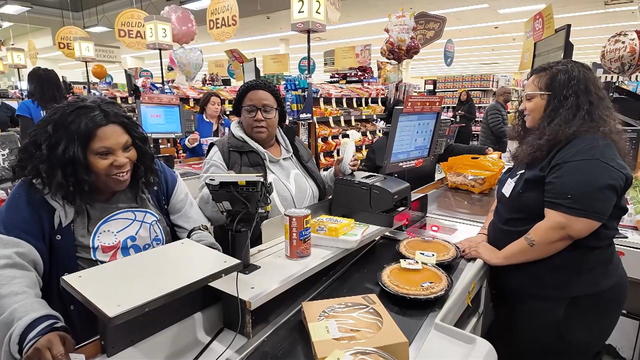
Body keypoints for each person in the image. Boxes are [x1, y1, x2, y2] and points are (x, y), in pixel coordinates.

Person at [0, 97, 220, 360]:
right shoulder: (37, 196)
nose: (122, 161)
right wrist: (34, 326)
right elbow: (10, 270)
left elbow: (193, 224)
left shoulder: (153, 175)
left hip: (170, 324)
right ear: (71, 157)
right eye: (104, 154)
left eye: (127, 148)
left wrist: (208, 256)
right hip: (91, 340)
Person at [458, 60, 630, 360]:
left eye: (529, 98)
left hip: (563, 304)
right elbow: (508, 187)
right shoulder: (550, 142)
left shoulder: (589, 153)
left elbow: (564, 227)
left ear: (562, 100)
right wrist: (486, 233)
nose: (521, 107)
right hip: (528, 295)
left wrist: (498, 255)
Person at [197, 79, 359, 250]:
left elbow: (317, 189)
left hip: (312, 247)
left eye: (267, 110)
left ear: (278, 114)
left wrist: (336, 174)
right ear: (240, 114)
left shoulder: (295, 145)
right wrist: (229, 193)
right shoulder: (224, 152)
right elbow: (205, 211)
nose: (259, 117)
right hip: (259, 259)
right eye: (250, 110)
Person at [17, 67, 66, 142]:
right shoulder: (68, 104)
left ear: (32, 85)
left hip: (41, 150)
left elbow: (26, 139)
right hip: (69, 150)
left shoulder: (26, 106)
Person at [180, 92, 232, 159]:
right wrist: (189, 141)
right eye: (213, 104)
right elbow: (183, 143)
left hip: (220, 162)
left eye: (219, 105)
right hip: (196, 162)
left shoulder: (226, 123)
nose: (216, 107)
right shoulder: (194, 120)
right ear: (205, 105)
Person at [479, 86, 511, 152]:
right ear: (502, 95)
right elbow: (497, 128)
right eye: (509, 93)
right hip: (491, 148)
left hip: (495, 147)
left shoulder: (500, 107)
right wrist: (514, 133)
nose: (511, 96)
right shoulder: (494, 107)